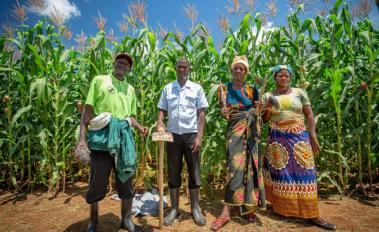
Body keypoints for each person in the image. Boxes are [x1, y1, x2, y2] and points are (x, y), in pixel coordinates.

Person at [76, 53, 148, 232]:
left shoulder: (130, 89)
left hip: (124, 139)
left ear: (129, 70)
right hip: (102, 138)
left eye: (126, 64)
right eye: (120, 62)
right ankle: (93, 221)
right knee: (97, 180)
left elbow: (130, 116)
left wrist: (140, 128)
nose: (122, 65)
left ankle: (126, 220)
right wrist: (82, 139)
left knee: (126, 180)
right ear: (114, 63)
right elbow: (88, 110)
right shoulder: (99, 81)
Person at [261, 65, 336, 230]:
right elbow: (265, 119)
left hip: (299, 135)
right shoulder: (268, 95)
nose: (283, 78)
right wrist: (266, 109)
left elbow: (309, 115)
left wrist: (313, 136)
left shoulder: (299, 93)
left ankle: (312, 214)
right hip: (277, 137)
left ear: (290, 78)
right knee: (281, 174)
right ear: (275, 78)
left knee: (306, 172)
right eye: (280, 76)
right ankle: (282, 209)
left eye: (286, 76)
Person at [210, 55, 266, 231]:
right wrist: (224, 112)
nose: (239, 71)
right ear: (232, 69)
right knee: (234, 168)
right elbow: (223, 111)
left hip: (251, 130)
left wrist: (261, 105)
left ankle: (248, 208)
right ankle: (226, 211)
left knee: (251, 166)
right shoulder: (224, 88)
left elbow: (258, 108)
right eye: (236, 68)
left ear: (246, 72)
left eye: (242, 68)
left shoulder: (252, 89)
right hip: (234, 128)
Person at [156, 58, 209, 226]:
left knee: (194, 171)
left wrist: (199, 137)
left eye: (185, 67)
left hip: (191, 134)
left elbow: (201, 114)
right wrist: (159, 122)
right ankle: (174, 208)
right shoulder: (168, 89)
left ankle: (195, 208)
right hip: (172, 135)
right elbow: (162, 110)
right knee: (173, 171)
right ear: (176, 68)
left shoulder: (197, 88)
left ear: (189, 69)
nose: (182, 69)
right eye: (180, 66)